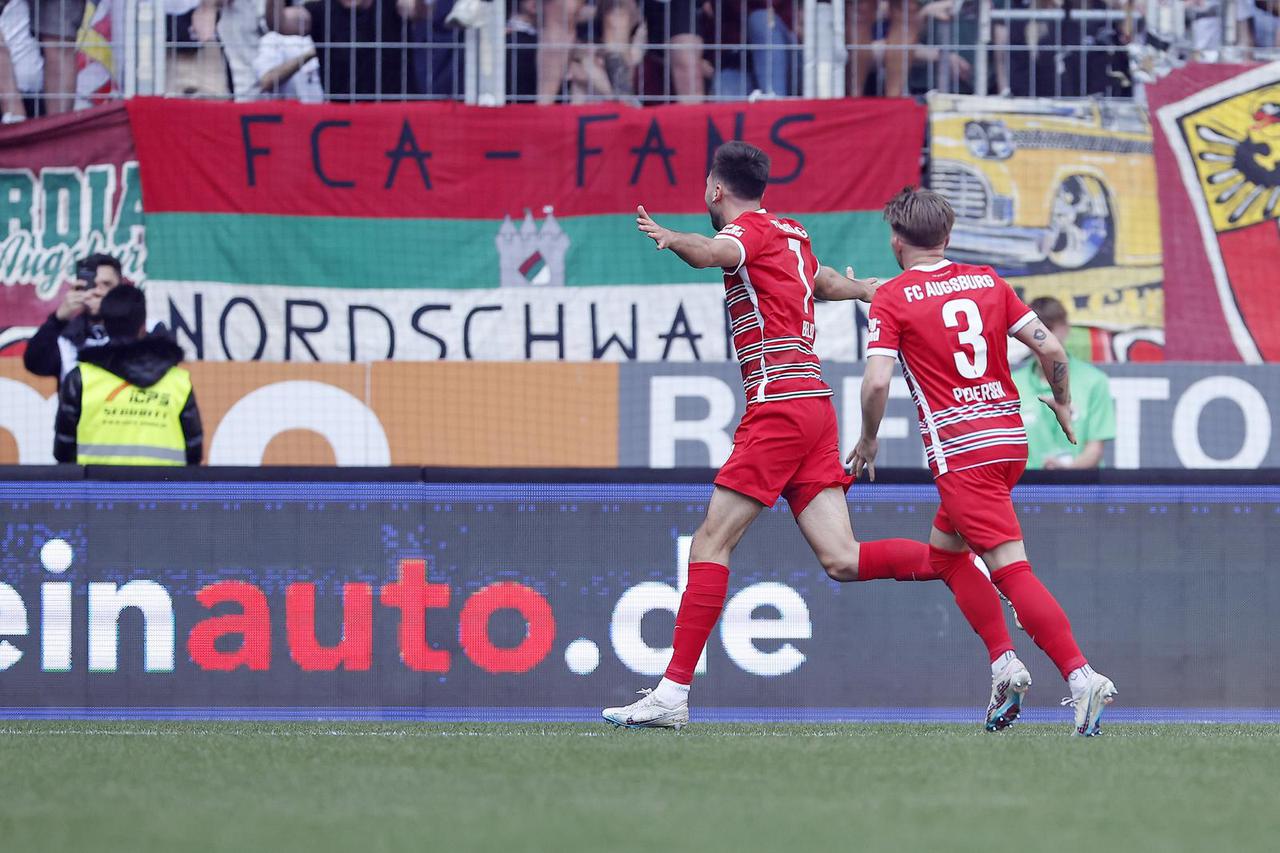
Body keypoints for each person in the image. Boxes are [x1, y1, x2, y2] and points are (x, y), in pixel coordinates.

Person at [602, 143, 1007, 731]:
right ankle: (961, 565)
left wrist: (673, 238)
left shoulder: (746, 234)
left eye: (706, 189)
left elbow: (715, 252)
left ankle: (671, 694)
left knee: (709, 545)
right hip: (815, 406)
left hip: (779, 404)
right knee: (843, 559)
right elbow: (818, 284)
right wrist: (865, 288)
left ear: (715, 189)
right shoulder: (791, 234)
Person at [849, 187, 1117, 736]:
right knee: (947, 558)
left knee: (1012, 571)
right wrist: (1064, 403)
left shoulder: (893, 297)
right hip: (1008, 442)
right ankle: (1004, 665)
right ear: (948, 238)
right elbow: (1052, 350)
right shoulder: (989, 282)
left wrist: (868, 439)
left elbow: (877, 381)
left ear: (896, 241)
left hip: (962, 453)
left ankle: (1081, 676)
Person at [53, 286, 203, 466]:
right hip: (162, 491)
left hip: (98, 491)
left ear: (105, 326)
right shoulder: (178, 382)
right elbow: (194, 451)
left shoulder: (81, 379)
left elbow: (63, 450)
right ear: (143, 327)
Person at [1013, 297, 1115, 469]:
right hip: (1025, 490)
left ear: (1065, 328)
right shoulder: (1012, 383)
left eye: (1050, 331)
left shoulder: (1094, 381)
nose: (1042, 343)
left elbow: (1095, 449)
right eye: (1035, 334)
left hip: (1079, 489)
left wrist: (1066, 472)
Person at [265, 0, 433, 102]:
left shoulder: (393, 5)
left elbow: (418, 11)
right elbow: (279, 23)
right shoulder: (320, 11)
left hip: (396, 111)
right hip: (346, 117)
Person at [24, 253, 126, 381]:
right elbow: (35, 364)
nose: (97, 291)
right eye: (91, 285)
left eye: (106, 284)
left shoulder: (141, 331)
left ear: (120, 290)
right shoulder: (65, 338)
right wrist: (58, 319)